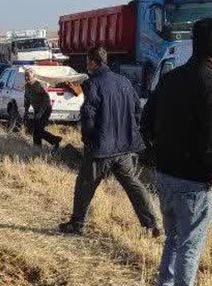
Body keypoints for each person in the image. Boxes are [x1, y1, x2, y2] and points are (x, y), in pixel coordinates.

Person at [141, 18, 212, 286]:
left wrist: (162, 151)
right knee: (189, 246)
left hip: (165, 175)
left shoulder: (170, 79)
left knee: (173, 241)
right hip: (194, 182)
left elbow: (146, 122)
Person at [59, 46, 160, 237]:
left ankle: (77, 224)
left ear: (93, 62)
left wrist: (87, 138)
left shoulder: (93, 83)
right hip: (124, 147)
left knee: (85, 185)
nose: (87, 65)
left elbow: (88, 114)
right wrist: (129, 132)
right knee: (133, 185)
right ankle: (151, 224)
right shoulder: (124, 82)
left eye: (88, 61)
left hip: (101, 148)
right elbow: (137, 110)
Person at [23, 69, 62, 150]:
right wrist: (26, 111)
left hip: (45, 109)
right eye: (25, 76)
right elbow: (27, 99)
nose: (26, 78)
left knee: (39, 129)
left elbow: (46, 100)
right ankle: (37, 148)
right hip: (37, 110)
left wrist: (40, 113)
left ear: (34, 77)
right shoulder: (27, 86)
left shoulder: (39, 84)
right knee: (36, 130)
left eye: (28, 76)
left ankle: (55, 140)